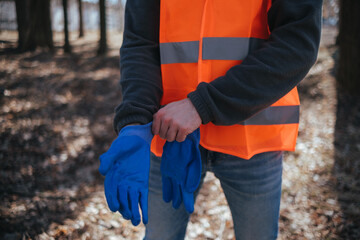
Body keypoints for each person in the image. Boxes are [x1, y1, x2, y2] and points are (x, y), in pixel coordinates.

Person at [100, 0, 323, 239]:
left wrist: (202, 106)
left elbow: (297, 41)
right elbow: (141, 42)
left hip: (252, 137)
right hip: (170, 133)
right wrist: (135, 120)